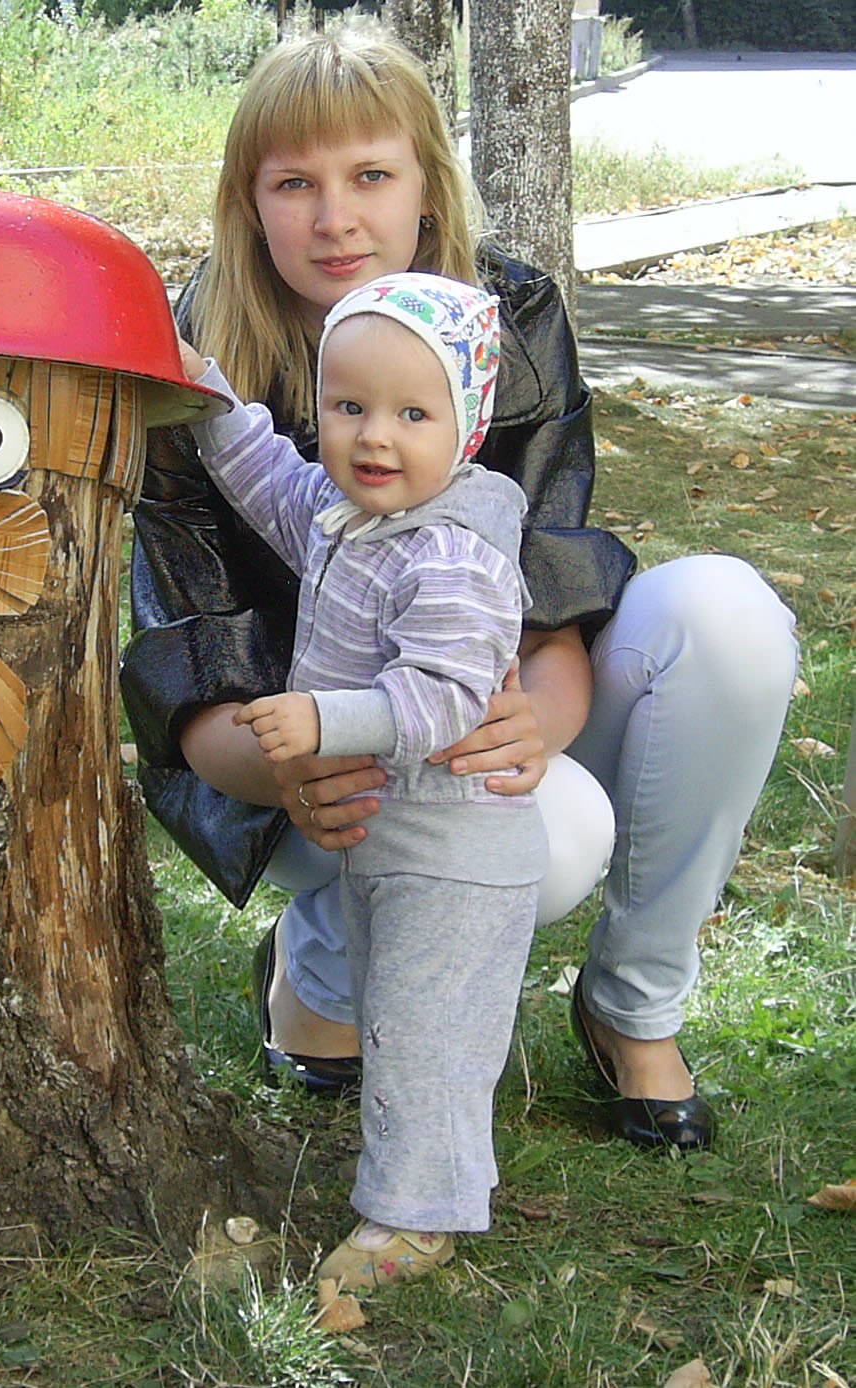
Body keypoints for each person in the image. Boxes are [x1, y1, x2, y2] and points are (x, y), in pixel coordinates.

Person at [121, 26, 797, 1158]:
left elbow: (549, 565)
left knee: (723, 619)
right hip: (298, 751)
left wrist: (538, 721)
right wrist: (291, 765)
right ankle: (319, 964)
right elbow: (186, 644)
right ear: (248, 204)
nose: (335, 218)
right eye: (294, 184)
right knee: (553, 836)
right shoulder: (193, 363)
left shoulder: (509, 317)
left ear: (428, 187)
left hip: (467, 700)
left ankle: (632, 1005)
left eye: (369, 175)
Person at [178, 270, 547, 1285]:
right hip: (388, 838)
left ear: (466, 427)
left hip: (454, 848)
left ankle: (414, 1220)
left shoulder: (454, 555)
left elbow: (442, 701)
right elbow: (267, 476)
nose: (373, 437)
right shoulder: (348, 515)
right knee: (396, 1021)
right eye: (348, 407)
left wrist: (321, 719)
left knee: (426, 1035)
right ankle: (415, 1183)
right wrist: (206, 390)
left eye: (411, 414)